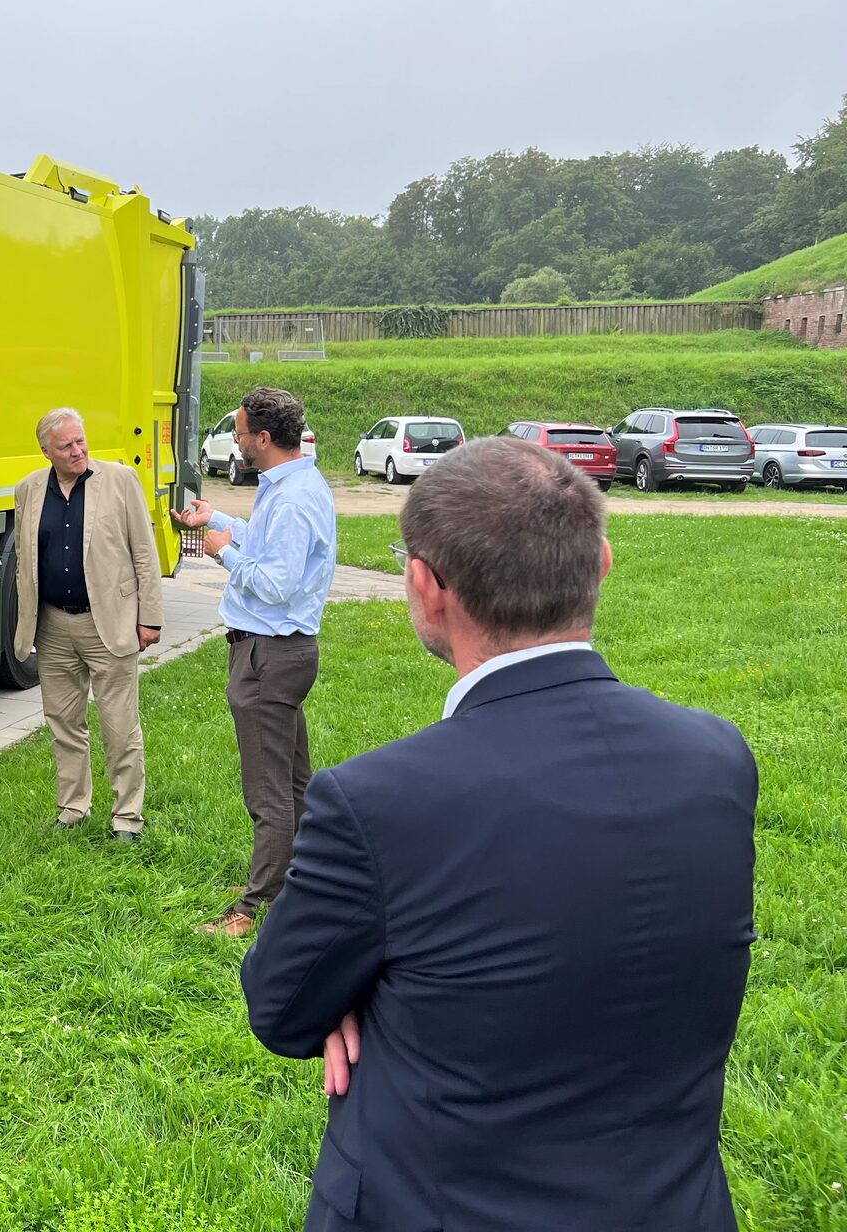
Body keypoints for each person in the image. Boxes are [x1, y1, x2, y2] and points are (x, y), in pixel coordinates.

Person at [240, 437, 756, 1232]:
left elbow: (282, 1006)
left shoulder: (378, 802)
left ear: (425, 586)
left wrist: (361, 994)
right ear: (602, 565)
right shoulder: (716, 757)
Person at [172, 386, 335, 935]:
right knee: (293, 783)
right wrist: (220, 520)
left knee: (268, 792)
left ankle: (256, 906)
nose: (236, 441)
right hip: (279, 651)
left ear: (264, 438)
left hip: (270, 653)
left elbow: (276, 584)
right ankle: (305, 879)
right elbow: (270, 546)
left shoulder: (291, 499)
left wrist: (223, 553)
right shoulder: (293, 483)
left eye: (240, 433)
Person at [12, 408, 162, 841]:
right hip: (54, 627)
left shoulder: (120, 481)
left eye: (81, 441)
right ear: (46, 451)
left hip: (108, 624)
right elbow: (25, 560)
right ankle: (73, 808)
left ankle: (127, 818)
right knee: (63, 723)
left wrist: (149, 618)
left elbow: (144, 553)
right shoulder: (28, 490)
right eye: (66, 446)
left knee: (119, 726)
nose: (78, 451)